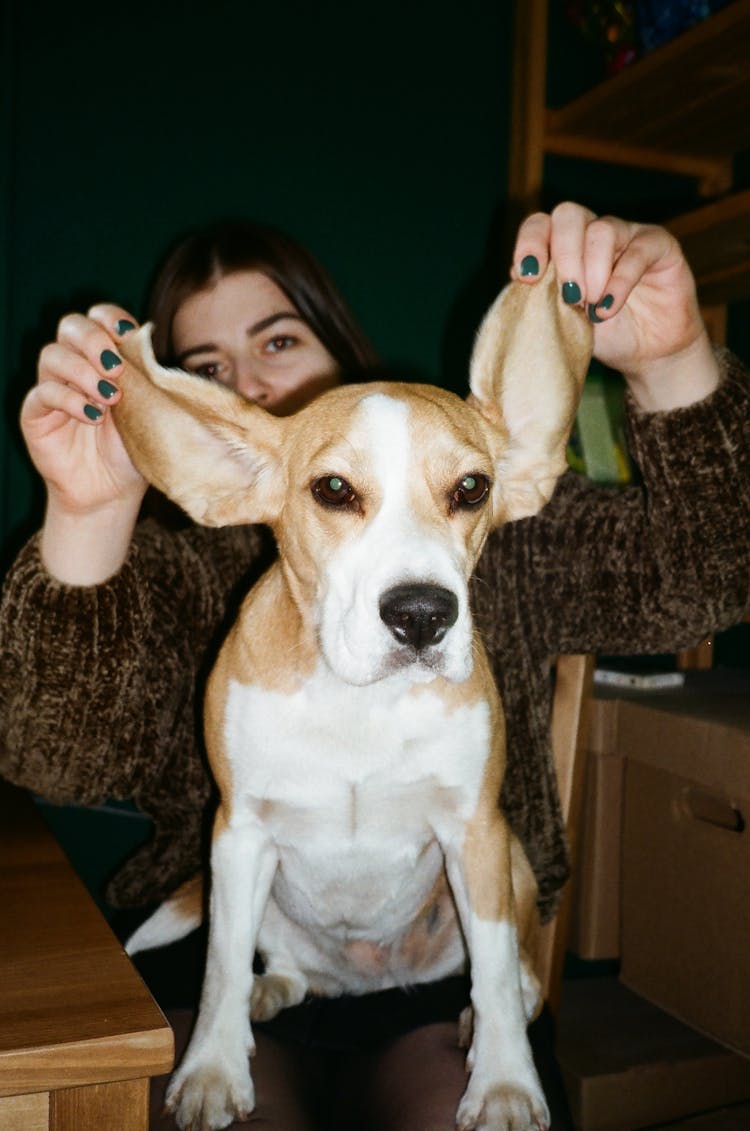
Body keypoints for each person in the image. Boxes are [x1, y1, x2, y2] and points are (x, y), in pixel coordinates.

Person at [1, 203, 749, 1131]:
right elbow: (44, 755)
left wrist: (675, 361)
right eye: (208, 373)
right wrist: (86, 514)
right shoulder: (173, 568)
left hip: (448, 969)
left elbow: (712, 574)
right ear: (219, 452)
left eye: (277, 339)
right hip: (251, 961)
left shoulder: (510, 511)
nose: (253, 388)